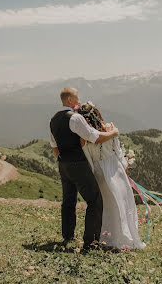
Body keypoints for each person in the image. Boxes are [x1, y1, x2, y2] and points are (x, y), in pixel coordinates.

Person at [49, 87, 119, 251]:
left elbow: (54, 145)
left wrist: (61, 158)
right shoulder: (75, 118)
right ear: (69, 101)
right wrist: (114, 133)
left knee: (68, 200)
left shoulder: (53, 119)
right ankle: (91, 241)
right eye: (77, 98)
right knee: (94, 200)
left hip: (63, 164)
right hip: (77, 164)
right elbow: (95, 137)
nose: (79, 102)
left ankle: (68, 234)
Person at [77, 102, 146, 250]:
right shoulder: (110, 129)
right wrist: (125, 167)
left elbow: (88, 158)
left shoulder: (83, 137)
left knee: (105, 206)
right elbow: (118, 152)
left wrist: (93, 173)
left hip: (98, 172)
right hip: (115, 169)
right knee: (122, 203)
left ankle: (106, 237)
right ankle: (125, 237)